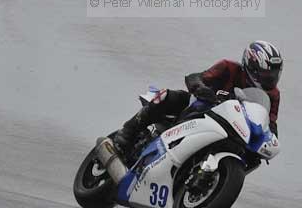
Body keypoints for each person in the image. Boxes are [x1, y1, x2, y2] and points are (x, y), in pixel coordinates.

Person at [113, 41, 283, 154]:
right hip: (202, 109)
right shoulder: (228, 68)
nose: (271, 79)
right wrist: (202, 89)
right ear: (251, 67)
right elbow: (195, 77)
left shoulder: (272, 95)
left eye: (274, 75)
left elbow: (270, 121)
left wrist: (271, 138)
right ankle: (127, 132)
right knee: (166, 96)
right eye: (267, 74)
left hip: (234, 130)